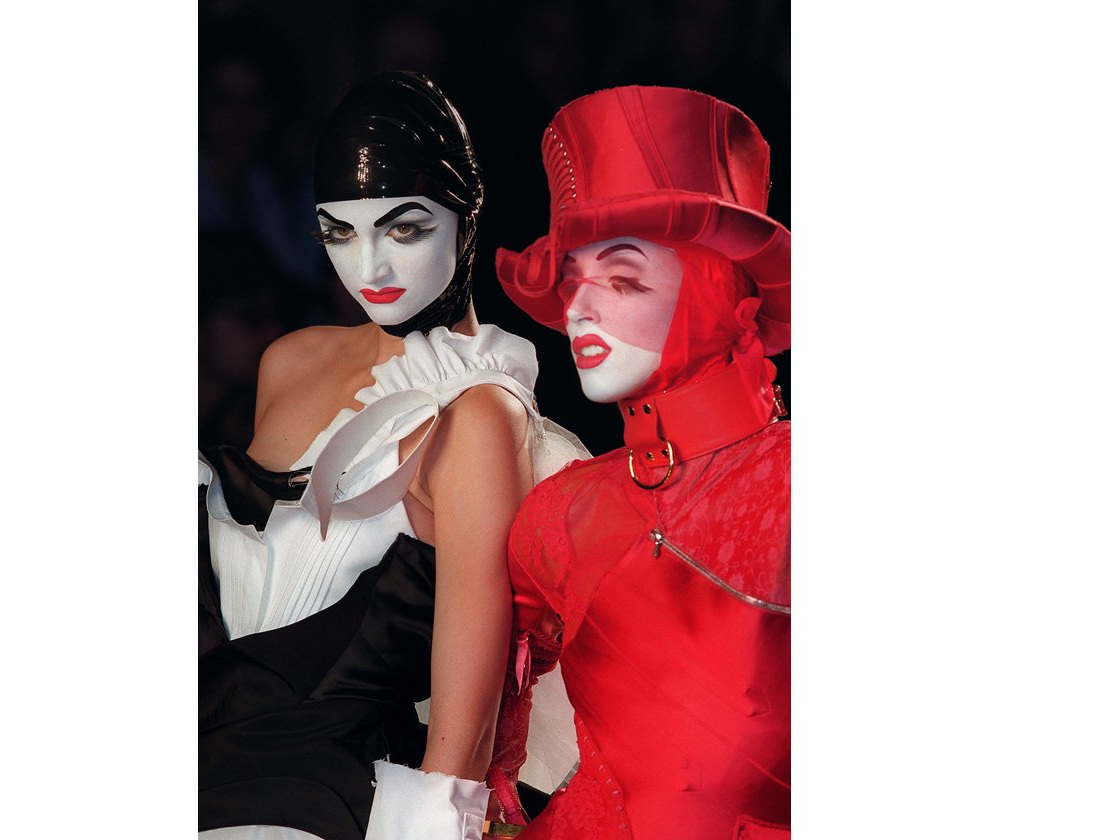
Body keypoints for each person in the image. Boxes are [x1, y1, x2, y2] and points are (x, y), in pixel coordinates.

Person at [198, 72, 586, 840]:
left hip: (334, 805)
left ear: (467, 217)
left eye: (404, 229)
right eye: (338, 232)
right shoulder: (290, 361)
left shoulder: (478, 416)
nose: (368, 266)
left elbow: (463, 738)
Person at [489, 86, 792, 838]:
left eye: (623, 280)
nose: (578, 309)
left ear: (718, 292)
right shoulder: (558, 514)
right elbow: (489, 704)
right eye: (571, 281)